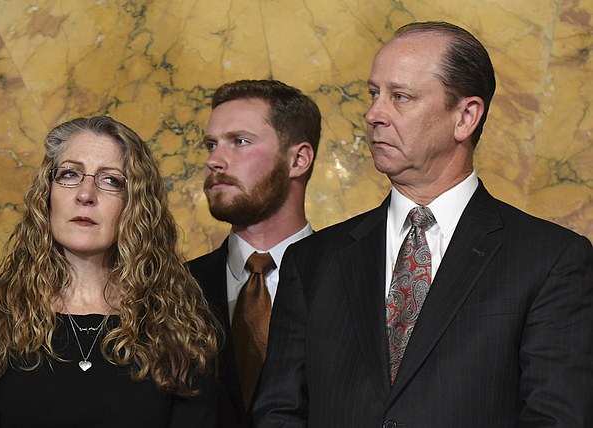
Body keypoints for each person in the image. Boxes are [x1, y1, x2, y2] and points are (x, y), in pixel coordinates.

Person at [252, 21, 593, 427]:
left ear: (465, 117)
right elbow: (278, 412)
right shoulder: (311, 260)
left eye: (401, 97)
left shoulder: (551, 259)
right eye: (374, 94)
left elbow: (555, 417)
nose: (374, 114)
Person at [0, 116, 219, 427]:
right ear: (47, 194)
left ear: (135, 204)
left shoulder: (179, 327)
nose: (85, 194)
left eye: (111, 181)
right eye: (70, 174)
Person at [184, 79, 321, 427]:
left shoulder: (355, 281)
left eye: (240, 142)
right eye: (211, 145)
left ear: (299, 159)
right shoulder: (172, 289)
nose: (215, 160)